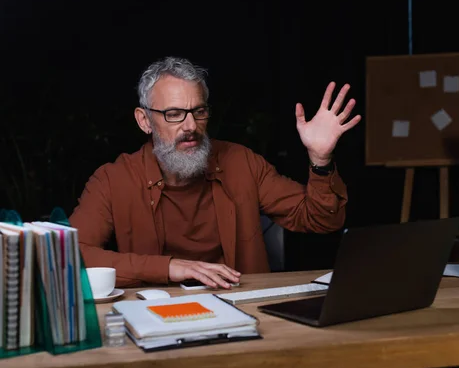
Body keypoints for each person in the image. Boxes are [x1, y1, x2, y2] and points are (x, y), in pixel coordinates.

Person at [69, 56, 361, 289]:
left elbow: (323, 220)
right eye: (173, 114)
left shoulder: (241, 162)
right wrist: (169, 267)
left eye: (199, 111)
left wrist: (320, 159)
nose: (190, 127)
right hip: (155, 316)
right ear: (144, 120)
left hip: (244, 310)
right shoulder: (112, 180)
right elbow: (72, 257)